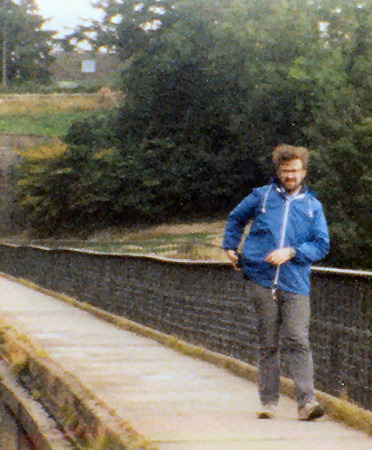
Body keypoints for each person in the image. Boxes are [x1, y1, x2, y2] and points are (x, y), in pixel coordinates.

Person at [222, 144, 330, 421]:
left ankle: (307, 403)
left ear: (303, 171)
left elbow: (321, 244)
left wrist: (292, 252)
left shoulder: (312, 206)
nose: (290, 176)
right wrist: (230, 247)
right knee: (268, 343)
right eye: (285, 171)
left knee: (297, 340)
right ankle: (268, 402)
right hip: (260, 280)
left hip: (295, 283)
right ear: (278, 172)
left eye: (295, 171)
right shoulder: (262, 197)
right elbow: (235, 219)